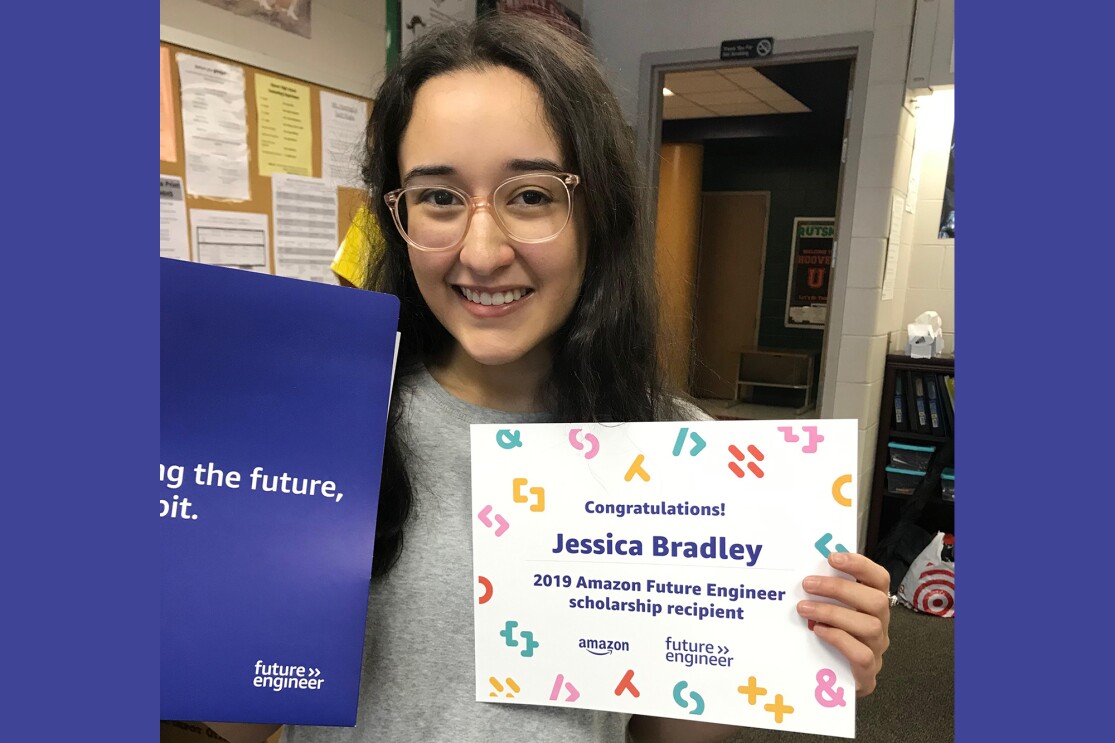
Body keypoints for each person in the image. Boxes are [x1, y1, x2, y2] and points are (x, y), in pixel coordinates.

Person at [208, 13, 891, 743]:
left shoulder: (680, 454)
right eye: (438, 197)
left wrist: (802, 645)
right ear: (394, 217)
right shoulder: (326, 426)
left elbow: (655, 733)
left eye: (530, 194)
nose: (481, 251)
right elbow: (242, 722)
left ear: (596, 209)